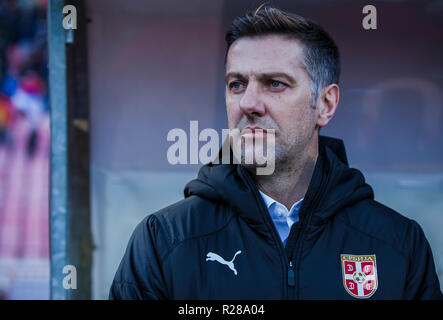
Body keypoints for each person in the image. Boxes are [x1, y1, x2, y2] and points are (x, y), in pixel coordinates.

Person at [109, 5, 442, 300]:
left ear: (325, 104)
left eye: (275, 84)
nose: (249, 103)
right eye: (236, 84)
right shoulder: (164, 242)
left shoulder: (398, 246)